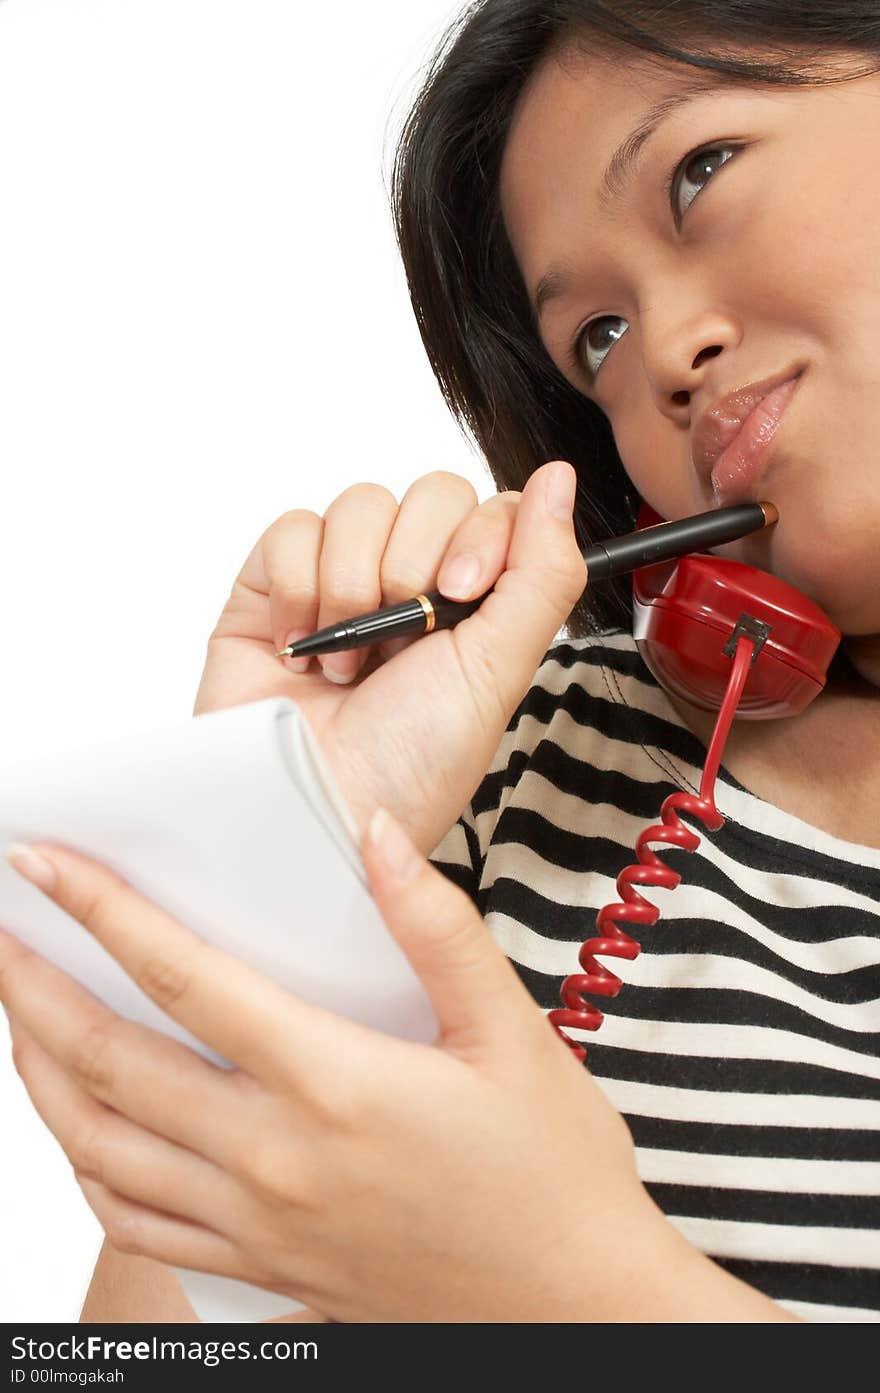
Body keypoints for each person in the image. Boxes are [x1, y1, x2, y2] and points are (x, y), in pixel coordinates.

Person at [2, 0, 878, 1323]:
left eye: (700, 170)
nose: (670, 356)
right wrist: (283, 872)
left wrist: (576, 1289)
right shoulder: (516, 770)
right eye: (596, 338)